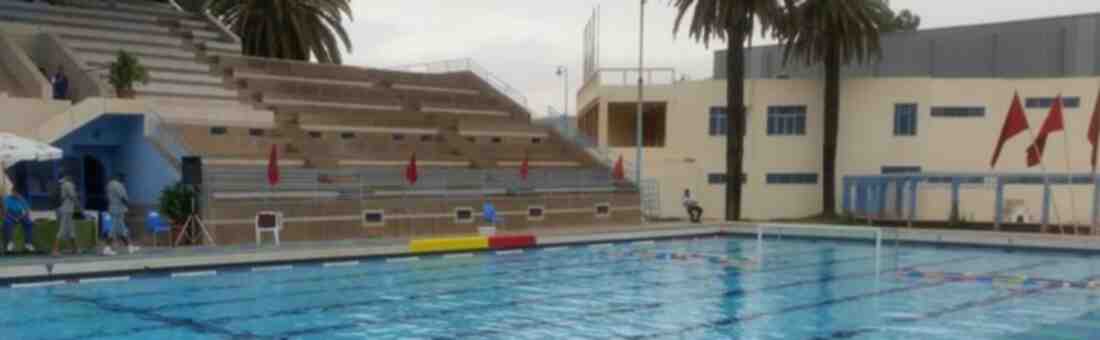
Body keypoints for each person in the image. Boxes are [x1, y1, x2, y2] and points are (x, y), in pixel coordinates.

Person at [103, 174, 138, 256]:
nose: (124, 181)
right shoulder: (118, 185)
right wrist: (129, 206)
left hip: (113, 208)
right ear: (119, 178)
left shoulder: (109, 185)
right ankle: (106, 248)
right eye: (123, 179)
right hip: (118, 210)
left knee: (121, 229)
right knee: (113, 230)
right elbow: (123, 197)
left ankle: (130, 247)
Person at [51, 175, 80, 256]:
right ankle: (55, 250)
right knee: (62, 230)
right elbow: (72, 196)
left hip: (63, 209)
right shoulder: (68, 184)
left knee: (71, 229)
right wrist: (78, 205)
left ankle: (75, 249)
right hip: (67, 209)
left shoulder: (62, 184)